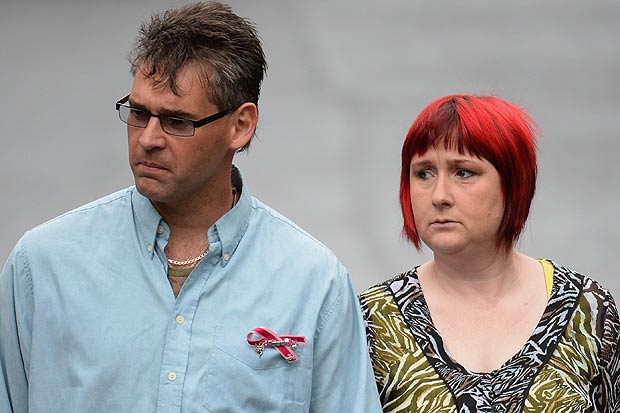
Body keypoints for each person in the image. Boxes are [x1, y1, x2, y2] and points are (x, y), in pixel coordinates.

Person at [0, 2, 382, 412]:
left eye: (176, 121)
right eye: (139, 113)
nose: (148, 139)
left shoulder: (313, 285)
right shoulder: (41, 268)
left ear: (240, 125)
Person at [359, 94, 620, 412]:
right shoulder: (376, 320)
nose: (439, 195)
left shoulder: (587, 310)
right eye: (424, 173)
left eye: (463, 172)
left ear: (513, 184)